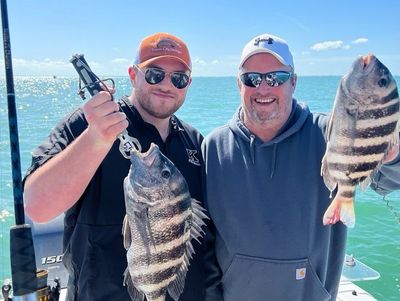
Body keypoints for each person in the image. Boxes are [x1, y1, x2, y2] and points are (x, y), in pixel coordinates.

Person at [202, 33, 400, 301]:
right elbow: (204, 241)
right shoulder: (213, 147)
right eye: (252, 79)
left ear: (293, 82)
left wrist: (391, 156)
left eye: (276, 78)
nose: (263, 88)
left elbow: (385, 182)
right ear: (239, 84)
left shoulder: (329, 134)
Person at [24, 32, 207, 301]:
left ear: (187, 84)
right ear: (133, 75)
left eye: (178, 79)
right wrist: (96, 138)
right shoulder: (89, 123)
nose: (166, 84)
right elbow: (37, 206)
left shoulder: (194, 141)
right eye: (155, 73)